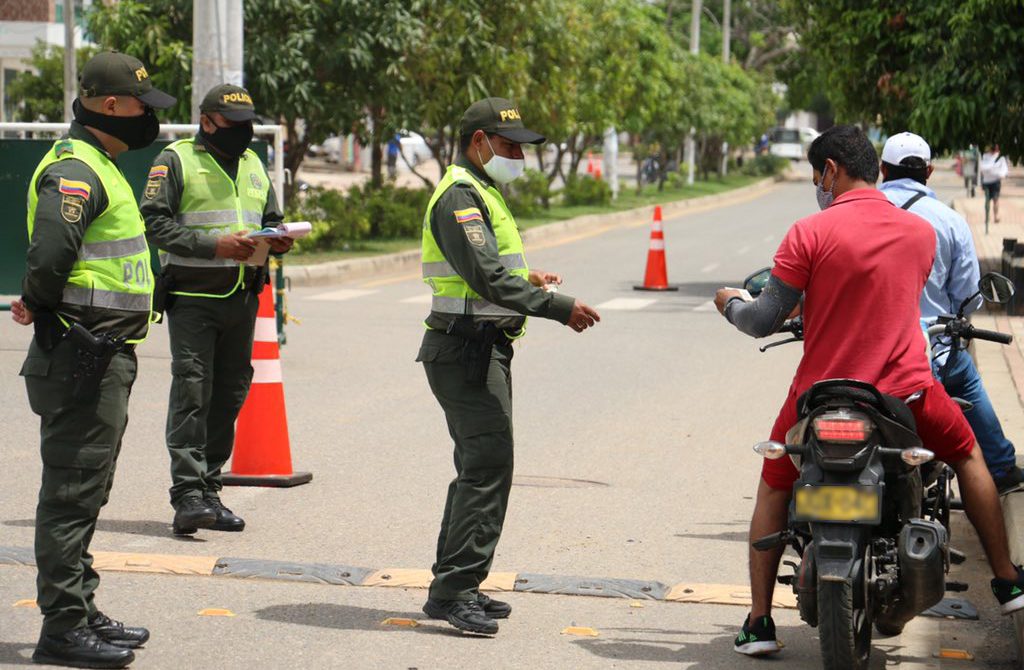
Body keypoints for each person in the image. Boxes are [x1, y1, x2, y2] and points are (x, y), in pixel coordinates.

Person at [714, 125, 1024, 659]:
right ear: (875, 170)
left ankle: (761, 622)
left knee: (773, 484)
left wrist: (730, 303)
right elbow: (888, 293)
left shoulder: (807, 233)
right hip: (907, 392)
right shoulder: (919, 234)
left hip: (820, 395)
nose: (818, 185)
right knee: (969, 455)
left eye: (818, 176)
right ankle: (1006, 581)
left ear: (831, 170)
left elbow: (764, 319)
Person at [11, 51, 175, 669]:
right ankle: (61, 626)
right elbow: (52, 253)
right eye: (141, 105)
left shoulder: (100, 164)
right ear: (111, 106)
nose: (148, 116)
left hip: (104, 353)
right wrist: (38, 302)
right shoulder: (77, 170)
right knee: (71, 492)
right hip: (84, 353)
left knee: (90, 488)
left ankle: (80, 605)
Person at [417, 97, 601, 635]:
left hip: (480, 347)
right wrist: (559, 308)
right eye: (510, 145)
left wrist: (531, 276)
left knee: (483, 468)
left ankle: (458, 583)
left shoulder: (481, 190)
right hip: (464, 350)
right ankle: (454, 591)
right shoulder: (460, 197)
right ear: (479, 142)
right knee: (486, 469)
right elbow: (487, 278)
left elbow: (496, 268)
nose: (518, 155)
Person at [140, 84, 293, 536]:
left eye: (248, 124)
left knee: (229, 393)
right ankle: (187, 495)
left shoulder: (253, 163)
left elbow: (271, 217)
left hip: (242, 295)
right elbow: (155, 223)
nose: (243, 133)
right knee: (192, 391)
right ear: (206, 121)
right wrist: (214, 246)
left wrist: (278, 236)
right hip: (193, 297)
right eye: (234, 125)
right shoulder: (175, 160)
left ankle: (209, 489)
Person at [879, 132, 1023, 493]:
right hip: (929, 350)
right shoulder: (948, 221)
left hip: (861, 352)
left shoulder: (854, 214)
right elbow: (969, 297)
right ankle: (1001, 468)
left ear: (882, 170)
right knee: (965, 385)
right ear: (928, 171)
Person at [981, 145, 1009, 226]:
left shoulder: (996, 158)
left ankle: (993, 216)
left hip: (992, 182)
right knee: (990, 200)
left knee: (993, 200)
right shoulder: (987, 157)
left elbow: (1003, 170)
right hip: (990, 182)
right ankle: (989, 216)